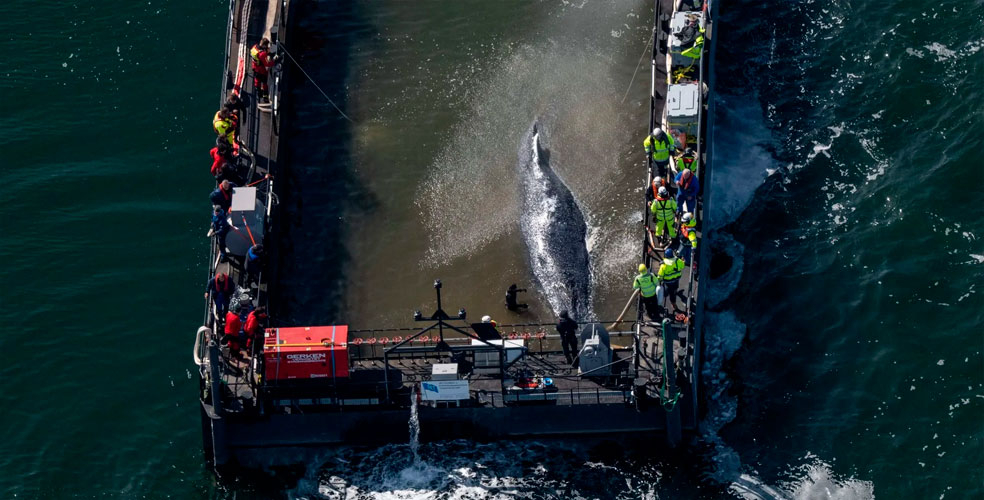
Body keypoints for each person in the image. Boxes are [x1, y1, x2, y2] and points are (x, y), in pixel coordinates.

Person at [250, 38, 279, 103]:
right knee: (265, 83)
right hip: (261, 70)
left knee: (257, 81)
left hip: (255, 68)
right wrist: (275, 61)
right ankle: (265, 97)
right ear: (264, 45)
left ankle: (259, 93)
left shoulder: (254, 47)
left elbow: (258, 56)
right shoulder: (262, 54)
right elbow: (267, 64)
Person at [658, 248, 686, 314]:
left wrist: (658, 280)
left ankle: (671, 301)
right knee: (674, 290)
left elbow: (660, 276)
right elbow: (682, 266)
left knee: (668, 292)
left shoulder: (663, 265)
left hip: (667, 282)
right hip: (676, 280)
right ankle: (674, 302)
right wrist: (683, 261)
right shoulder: (677, 261)